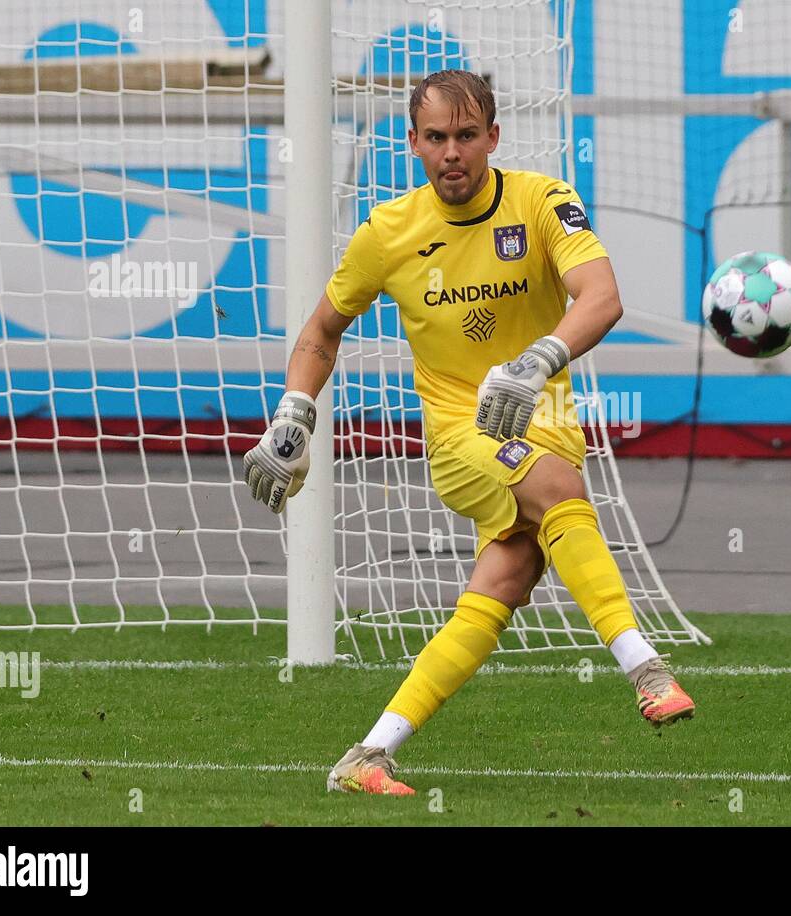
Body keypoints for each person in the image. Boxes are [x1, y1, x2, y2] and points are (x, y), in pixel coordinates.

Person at [243, 69, 694, 797]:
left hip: (545, 424)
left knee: (507, 577)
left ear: (493, 136)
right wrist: (295, 411)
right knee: (555, 491)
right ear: (412, 143)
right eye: (434, 138)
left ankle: (368, 756)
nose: (451, 152)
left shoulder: (543, 201)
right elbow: (322, 330)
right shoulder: (388, 233)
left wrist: (538, 358)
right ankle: (646, 668)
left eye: (464, 135)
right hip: (461, 439)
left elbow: (602, 297)